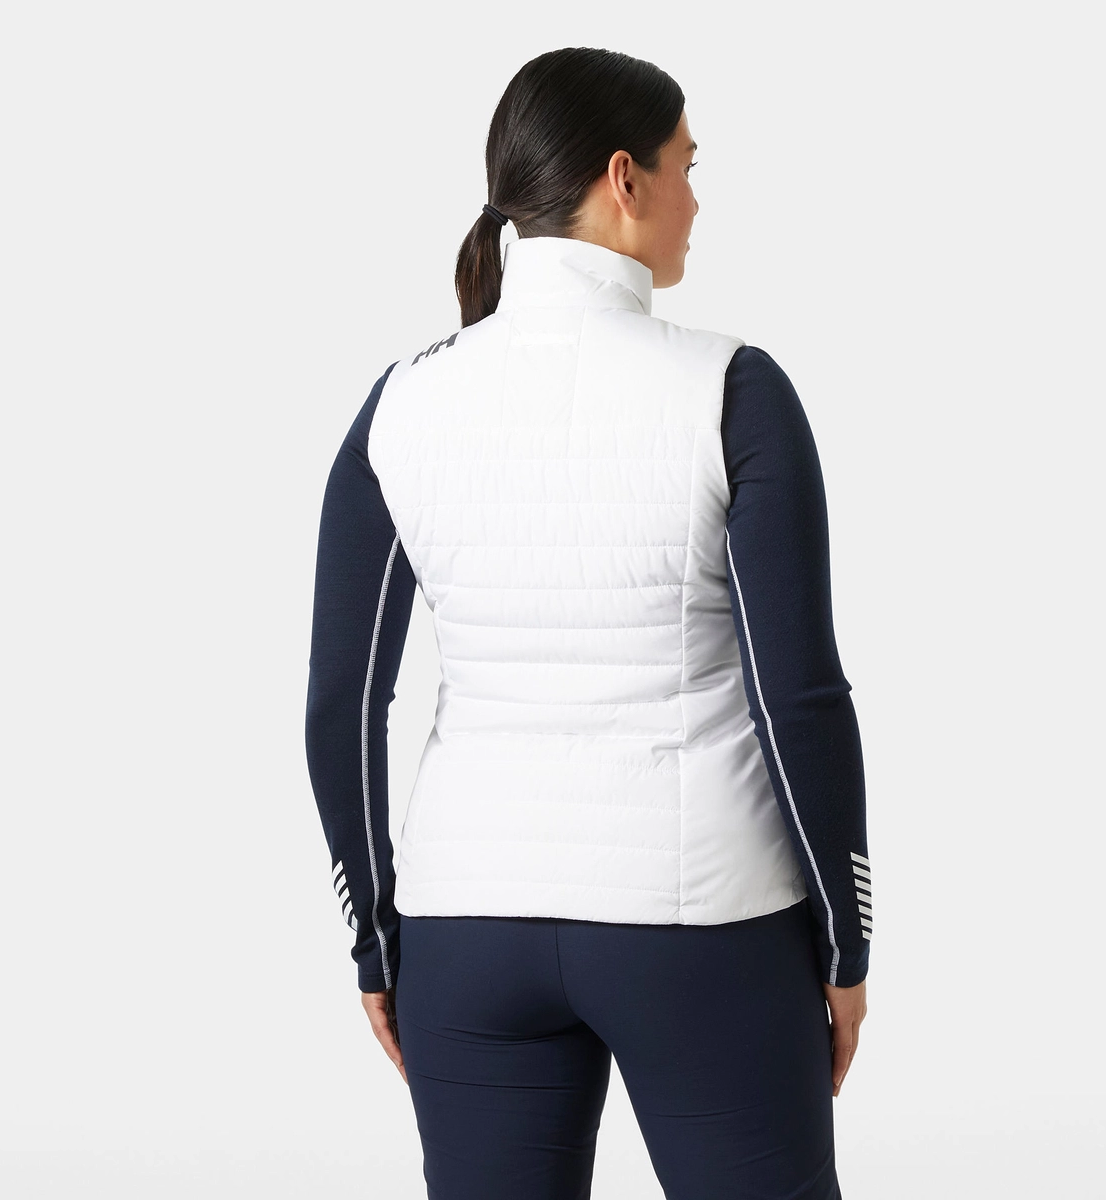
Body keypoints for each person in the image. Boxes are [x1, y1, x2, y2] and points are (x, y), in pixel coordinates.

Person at [305, 45, 871, 1200]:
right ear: (625, 178)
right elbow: (800, 698)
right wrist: (845, 942)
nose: (696, 200)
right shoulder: (732, 389)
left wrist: (378, 941)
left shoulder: (400, 403)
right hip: (702, 927)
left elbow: (339, 709)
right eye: (687, 167)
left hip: (467, 932)